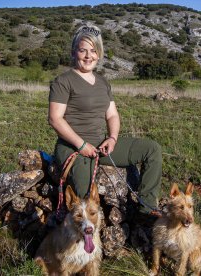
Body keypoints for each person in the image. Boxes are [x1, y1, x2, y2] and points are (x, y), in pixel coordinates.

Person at [48, 24, 162, 219]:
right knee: (85, 191)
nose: (88, 55)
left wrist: (113, 138)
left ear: (99, 54)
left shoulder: (103, 82)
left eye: (93, 51)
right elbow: (55, 119)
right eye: (83, 50)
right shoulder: (63, 81)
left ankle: (147, 208)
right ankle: (85, 231)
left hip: (100, 144)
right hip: (72, 146)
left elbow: (112, 115)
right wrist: (81, 144)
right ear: (74, 52)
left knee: (151, 149)